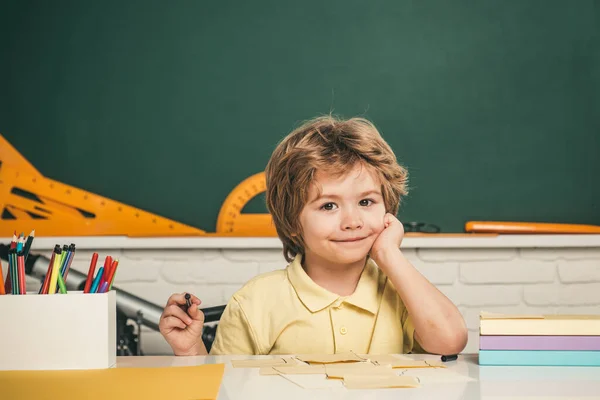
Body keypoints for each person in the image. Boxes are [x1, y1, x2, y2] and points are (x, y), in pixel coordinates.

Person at [159, 115, 467, 356]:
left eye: (366, 202)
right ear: (293, 221)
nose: (352, 221)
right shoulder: (254, 302)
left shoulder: (403, 293)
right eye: (329, 205)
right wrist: (190, 351)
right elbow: (222, 388)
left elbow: (451, 341)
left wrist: (389, 255)